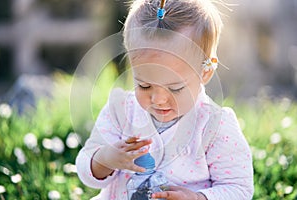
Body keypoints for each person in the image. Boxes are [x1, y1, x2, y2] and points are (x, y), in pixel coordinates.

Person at [76, 0, 254, 199]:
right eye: (144, 85)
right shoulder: (121, 111)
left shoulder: (215, 126)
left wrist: (197, 197)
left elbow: (239, 189)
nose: (158, 99)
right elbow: (86, 169)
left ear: (205, 72)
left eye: (175, 88)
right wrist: (105, 159)